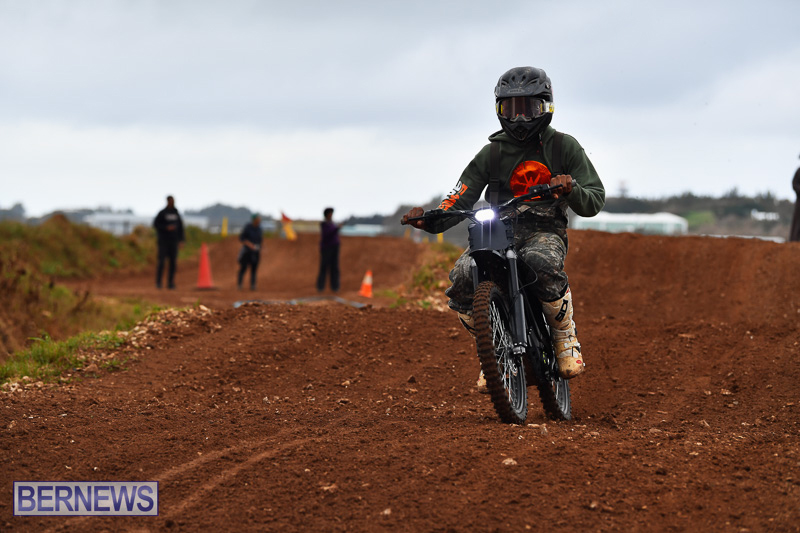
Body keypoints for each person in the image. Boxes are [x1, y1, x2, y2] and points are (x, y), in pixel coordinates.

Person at [402, 66, 605, 386]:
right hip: (495, 229)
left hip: (544, 229)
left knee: (541, 262)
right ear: (499, 110)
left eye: (528, 108)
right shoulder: (491, 153)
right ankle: (494, 349)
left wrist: (571, 189)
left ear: (546, 106)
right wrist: (429, 219)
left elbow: (594, 199)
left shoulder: (564, 147)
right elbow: (458, 198)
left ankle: (565, 337)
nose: (520, 118)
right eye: (511, 109)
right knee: (463, 276)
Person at [153, 195, 185, 289]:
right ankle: (158, 283)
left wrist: (181, 240)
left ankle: (170, 283)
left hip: (173, 242)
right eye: (170, 201)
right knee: (161, 262)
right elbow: (155, 224)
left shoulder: (176, 213)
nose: (172, 202)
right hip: (163, 241)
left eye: (173, 201)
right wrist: (166, 228)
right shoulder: (162, 213)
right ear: (167, 201)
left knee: (173, 263)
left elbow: (181, 228)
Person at [317, 207, 342, 292]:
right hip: (326, 248)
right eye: (330, 213)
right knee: (324, 267)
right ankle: (320, 287)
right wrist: (337, 229)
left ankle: (335, 287)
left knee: (334, 267)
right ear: (327, 215)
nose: (331, 215)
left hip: (335, 247)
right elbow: (327, 234)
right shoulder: (324, 224)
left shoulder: (332, 223)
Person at [237, 214, 263, 290]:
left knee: (254, 269)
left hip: (255, 252)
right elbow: (242, 238)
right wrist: (250, 245)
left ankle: (253, 285)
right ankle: (240, 284)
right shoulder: (248, 227)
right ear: (254, 220)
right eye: (258, 219)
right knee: (243, 268)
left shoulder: (259, 228)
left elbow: (260, 240)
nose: (259, 220)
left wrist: (260, 247)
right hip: (247, 251)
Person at [790, 157, 800, 242]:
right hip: (799, 201)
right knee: (797, 221)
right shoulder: (798, 171)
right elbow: (794, 184)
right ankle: (794, 240)